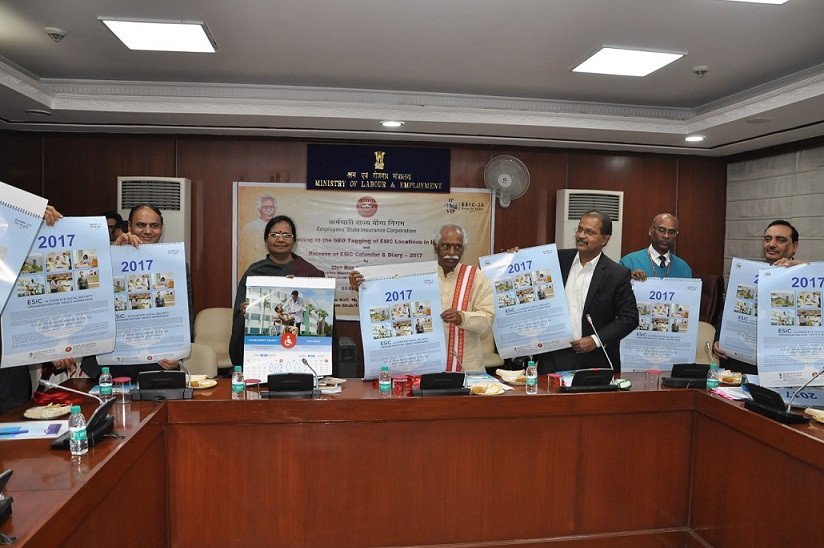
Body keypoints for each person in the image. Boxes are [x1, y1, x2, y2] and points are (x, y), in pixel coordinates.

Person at [350, 222, 495, 372]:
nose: (452, 252)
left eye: (458, 247)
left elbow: (487, 321)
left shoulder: (476, 276)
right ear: (435, 246)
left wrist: (462, 318)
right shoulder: (419, 275)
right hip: (424, 367)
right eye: (446, 246)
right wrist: (360, 289)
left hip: (467, 368)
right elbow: (388, 305)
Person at [82, 204, 195, 380]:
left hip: (158, 363)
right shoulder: (107, 258)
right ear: (129, 227)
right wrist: (114, 252)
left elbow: (186, 313)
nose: (148, 231)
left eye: (154, 226)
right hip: (109, 365)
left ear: (161, 229)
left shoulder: (175, 264)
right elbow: (89, 297)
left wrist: (178, 352)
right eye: (141, 225)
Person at [533, 210, 638, 375]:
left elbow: (630, 318)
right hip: (553, 356)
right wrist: (513, 257)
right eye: (580, 229)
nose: (581, 235)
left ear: (605, 239)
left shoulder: (616, 274)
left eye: (589, 232)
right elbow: (526, 271)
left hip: (593, 357)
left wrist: (596, 340)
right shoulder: (556, 260)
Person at [1, 205, 81, 413]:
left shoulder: (14, 263)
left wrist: (53, 346)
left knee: (12, 420)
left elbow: (31, 306)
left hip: (9, 371)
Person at [230, 215, 324, 365]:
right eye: (274, 235)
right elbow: (238, 311)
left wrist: (299, 284)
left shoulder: (309, 273)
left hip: (300, 350)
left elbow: (318, 307)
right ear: (266, 240)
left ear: (294, 241)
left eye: (286, 235)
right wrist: (244, 310)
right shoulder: (255, 271)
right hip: (263, 351)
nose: (280, 240)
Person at [712, 219, 802, 374]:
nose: (771, 244)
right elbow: (727, 315)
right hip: (742, 367)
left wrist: (803, 268)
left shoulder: (805, 277)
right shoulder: (747, 274)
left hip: (784, 367)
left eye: (780, 240)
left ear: (795, 247)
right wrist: (718, 341)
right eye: (767, 239)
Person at [619, 213, 692, 280]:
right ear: (651, 230)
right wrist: (631, 281)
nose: (666, 236)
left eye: (671, 232)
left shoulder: (684, 268)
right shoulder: (629, 262)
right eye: (661, 230)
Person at [240, 194, 278, 268]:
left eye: (272, 207)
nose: (269, 210)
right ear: (259, 210)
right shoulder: (249, 228)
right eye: (265, 207)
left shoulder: (281, 227)